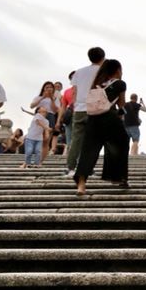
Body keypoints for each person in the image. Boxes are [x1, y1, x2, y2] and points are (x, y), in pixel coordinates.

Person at [73, 59, 130, 196]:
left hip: (93, 119)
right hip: (110, 118)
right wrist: (121, 114)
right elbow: (121, 104)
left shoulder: (96, 84)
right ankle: (119, 177)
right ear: (117, 70)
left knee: (89, 150)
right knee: (121, 144)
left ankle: (81, 185)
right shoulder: (120, 84)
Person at [66, 47, 106, 177]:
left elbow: (75, 91)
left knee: (76, 139)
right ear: (102, 57)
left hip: (79, 108)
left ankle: (71, 167)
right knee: (93, 140)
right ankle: (88, 168)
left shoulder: (79, 72)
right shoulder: (103, 71)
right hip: (95, 108)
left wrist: (74, 105)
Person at [30, 81, 60, 162]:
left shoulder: (55, 98)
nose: (49, 89)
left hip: (50, 117)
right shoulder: (38, 97)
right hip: (39, 117)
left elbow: (55, 110)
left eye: (51, 87)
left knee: (46, 141)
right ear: (43, 88)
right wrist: (42, 97)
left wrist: (52, 99)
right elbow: (31, 106)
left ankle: (40, 161)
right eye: (47, 87)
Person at [57, 71, 76, 153]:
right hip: (70, 115)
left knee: (80, 137)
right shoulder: (67, 92)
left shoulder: (86, 89)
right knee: (69, 137)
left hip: (83, 115)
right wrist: (58, 120)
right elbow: (63, 107)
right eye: (72, 77)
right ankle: (70, 158)